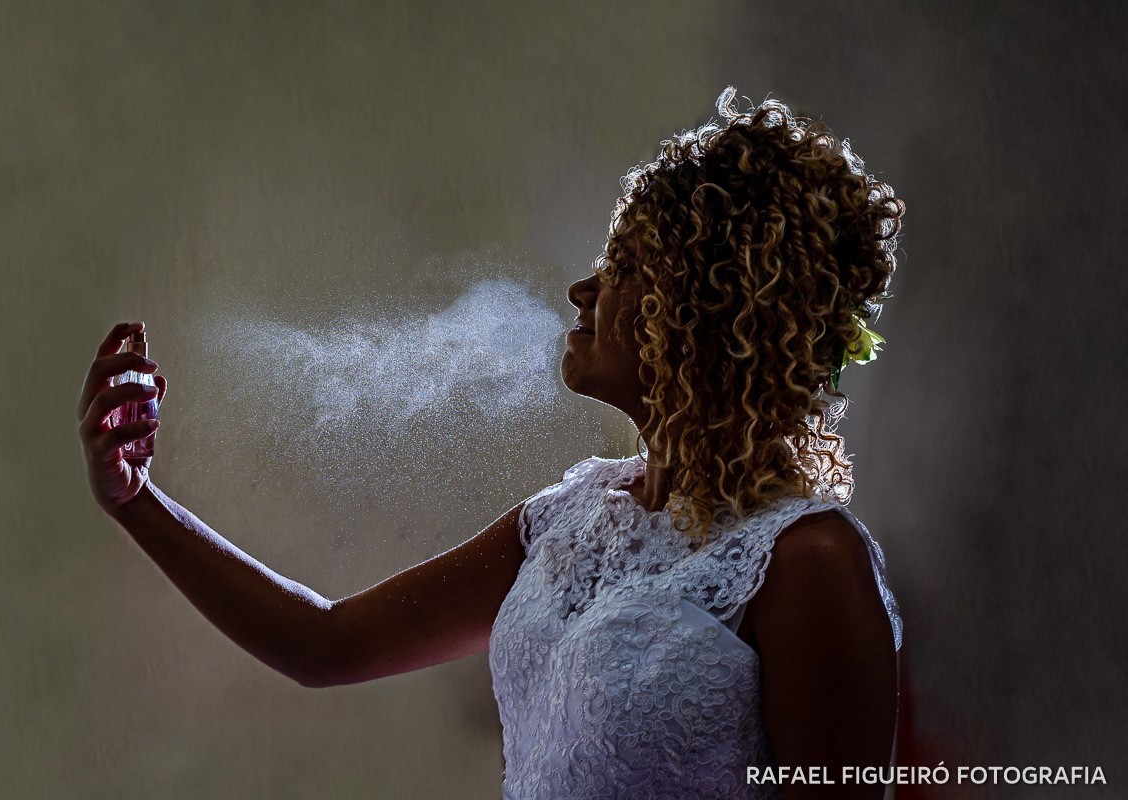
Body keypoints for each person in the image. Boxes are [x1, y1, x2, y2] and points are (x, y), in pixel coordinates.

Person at [78, 88, 905, 799]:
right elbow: (322, 643)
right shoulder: (572, 518)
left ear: (702, 312)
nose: (583, 289)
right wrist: (135, 500)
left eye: (626, 267)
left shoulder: (808, 563)